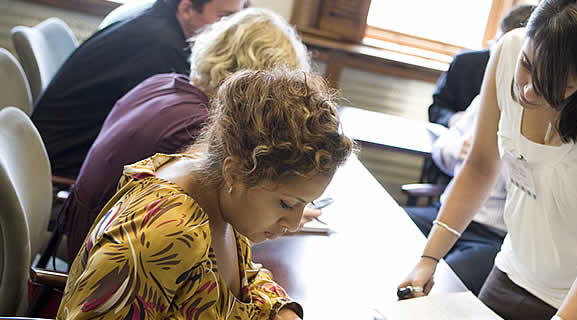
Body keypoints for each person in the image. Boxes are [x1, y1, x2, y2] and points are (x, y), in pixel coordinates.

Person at [399, 0, 577, 319]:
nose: (526, 90)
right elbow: (480, 166)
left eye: (551, 85)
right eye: (527, 65)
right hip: (518, 268)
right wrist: (429, 258)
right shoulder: (509, 49)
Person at [57, 68, 355, 320]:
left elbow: (241, 275)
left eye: (305, 204)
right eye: (286, 203)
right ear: (235, 172)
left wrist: (280, 310)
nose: (293, 222)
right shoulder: (166, 234)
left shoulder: (219, 196)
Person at [57, 8, 312, 261]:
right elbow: (216, 233)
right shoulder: (200, 129)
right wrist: (272, 209)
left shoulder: (165, 82)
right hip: (101, 254)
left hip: (84, 229)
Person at [31, 0, 244, 180]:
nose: (233, 29)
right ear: (187, 9)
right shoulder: (159, 49)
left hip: (54, 150)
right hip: (57, 166)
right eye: (225, 17)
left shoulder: (154, 22)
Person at [404, 5, 534, 295]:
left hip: (493, 236)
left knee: (441, 289)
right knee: (388, 232)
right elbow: (446, 150)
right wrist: (457, 149)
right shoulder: (485, 99)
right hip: (446, 214)